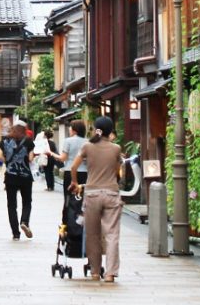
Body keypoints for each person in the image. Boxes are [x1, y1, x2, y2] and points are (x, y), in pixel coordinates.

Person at [69, 116, 123, 283]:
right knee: (112, 234)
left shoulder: (88, 146)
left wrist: (75, 182)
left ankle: (94, 271)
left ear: (96, 129)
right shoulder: (116, 148)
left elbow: (73, 166)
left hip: (92, 194)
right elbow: (118, 172)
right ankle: (110, 273)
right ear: (111, 131)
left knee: (92, 234)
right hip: (111, 194)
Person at [1, 120, 35, 240]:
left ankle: (15, 234)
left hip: (10, 176)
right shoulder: (28, 141)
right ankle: (24, 221)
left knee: (11, 206)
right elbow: (30, 159)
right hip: (25, 176)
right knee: (27, 202)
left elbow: (2, 156)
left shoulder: (5, 141)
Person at [60, 119, 88, 196]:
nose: (69, 129)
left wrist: (52, 154)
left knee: (69, 197)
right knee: (82, 196)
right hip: (84, 172)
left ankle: (68, 208)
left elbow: (63, 158)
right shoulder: (88, 142)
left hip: (69, 171)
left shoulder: (68, 141)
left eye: (70, 128)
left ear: (74, 130)